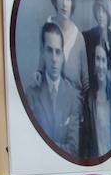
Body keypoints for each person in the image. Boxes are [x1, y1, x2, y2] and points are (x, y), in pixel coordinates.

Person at [27, 23, 82, 155]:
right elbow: (29, 146)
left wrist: (44, 149)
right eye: (49, 50)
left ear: (63, 56)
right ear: (43, 53)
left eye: (58, 52)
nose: (54, 59)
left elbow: (73, 148)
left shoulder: (73, 96)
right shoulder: (32, 94)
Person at [45, 0, 88, 92]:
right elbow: (41, 68)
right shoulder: (46, 28)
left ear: (72, 2)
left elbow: (85, 83)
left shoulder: (79, 38)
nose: (64, 3)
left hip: (75, 108)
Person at [81, 42, 111, 158]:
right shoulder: (88, 98)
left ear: (107, 64)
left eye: (103, 60)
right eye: (97, 59)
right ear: (94, 63)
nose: (100, 65)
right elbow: (85, 141)